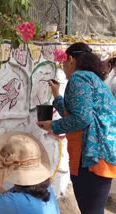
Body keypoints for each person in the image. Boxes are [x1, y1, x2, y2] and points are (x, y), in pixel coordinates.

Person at [37, 42, 116, 214]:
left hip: (91, 159)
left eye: (63, 62)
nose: (63, 67)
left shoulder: (78, 78)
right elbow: (75, 113)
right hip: (101, 156)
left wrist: (54, 125)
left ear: (71, 59)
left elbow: (81, 118)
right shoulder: (93, 79)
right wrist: (57, 95)